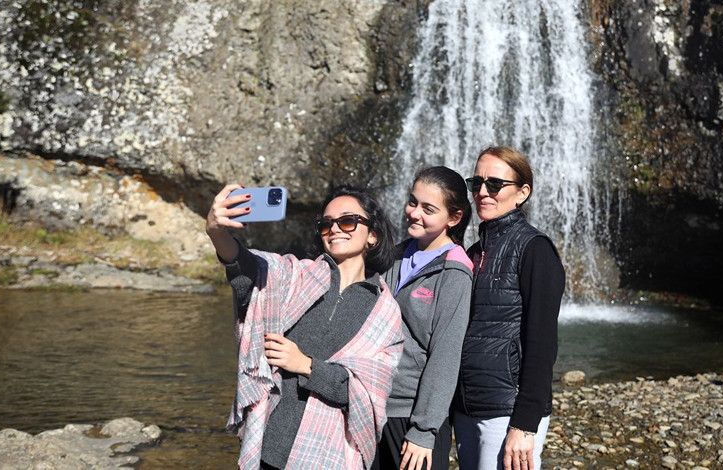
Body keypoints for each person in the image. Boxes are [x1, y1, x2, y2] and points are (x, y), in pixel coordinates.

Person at [206, 183, 404, 470]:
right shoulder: (295, 277)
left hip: (331, 453)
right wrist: (217, 232)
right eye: (326, 224)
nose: (334, 229)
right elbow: (245, 266)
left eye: (348, 221)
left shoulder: (385, 312)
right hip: (269, 445)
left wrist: (306, 365)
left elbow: (367, 394)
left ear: (373, 235)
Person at [453, 146, 566, 470]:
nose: (482, 192)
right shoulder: (474, 252)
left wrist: (525, 424)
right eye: (476, 183)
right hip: (467, 406)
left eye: (495, 184)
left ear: (522, 192)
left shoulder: (535, 249)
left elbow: (542, 343)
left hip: (507, 411)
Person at [373, 166, 474, 470]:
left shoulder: (454, 273)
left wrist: (424, 430)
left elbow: (446, 354)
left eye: (428, 209)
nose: (414, 213)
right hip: (374, 405)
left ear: (454, 217)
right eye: (412, 202)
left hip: (411, 416)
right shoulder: (396, 255)